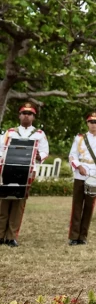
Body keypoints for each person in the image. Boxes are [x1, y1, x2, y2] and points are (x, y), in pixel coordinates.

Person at [0, 102, 49, 247]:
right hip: (8, 169)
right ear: (19, 115)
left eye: (30, 114)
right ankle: (0, 234)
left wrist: (40, 156)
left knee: (19, 203)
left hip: (27, 171)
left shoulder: (39, 134)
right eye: (24, 113)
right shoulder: (10, 132)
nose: (26, 116)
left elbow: (45, 151)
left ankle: (11, 236)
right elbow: (1, 149)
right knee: (4, 201)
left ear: (33, 117)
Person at [67, 111, 96, 245]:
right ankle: (73, 236)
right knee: (77, 206)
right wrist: (77, 166)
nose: (93, 124)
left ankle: (83, 236)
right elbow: (72, 155)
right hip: (80, 173)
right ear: (87, 123)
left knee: (89, 206)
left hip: (95, 175)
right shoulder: (79, 138)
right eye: (91, 122)